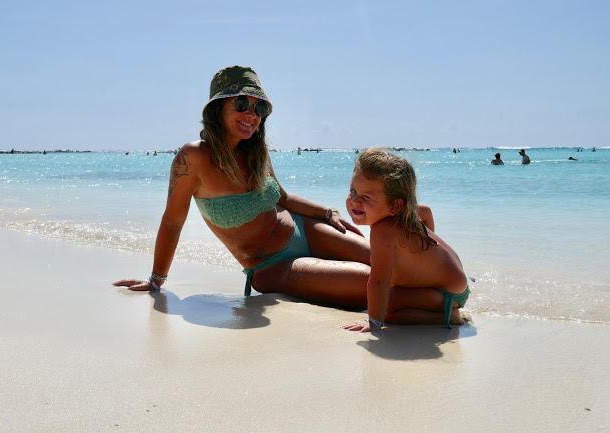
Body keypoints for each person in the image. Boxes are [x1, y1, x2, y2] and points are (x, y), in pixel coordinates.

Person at [114, 66, 433, 308]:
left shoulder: (256, 153)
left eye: (259, 108)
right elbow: (173, 221)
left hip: (306, 229)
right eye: (242, 103)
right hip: (272, 267)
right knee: (376, 283)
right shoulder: (193, 157)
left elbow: (283, 198)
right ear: (218, 108)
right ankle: (445, 307)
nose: (251, 114)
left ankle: (450, 282)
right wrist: (156, 281)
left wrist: (327, 213)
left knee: (396, 264)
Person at [342, 148, 469, 332]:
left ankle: (448, 316)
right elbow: (426, 211)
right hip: (455, 284)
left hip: (446, 294)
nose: (355, 201)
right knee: (385, 297)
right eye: (353, 191)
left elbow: (379, 282)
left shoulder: (382, 230)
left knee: (387, 309)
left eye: (366, 197)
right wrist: (424, 253)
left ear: (395, 205)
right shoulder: (407, 212)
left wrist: (374, 322)